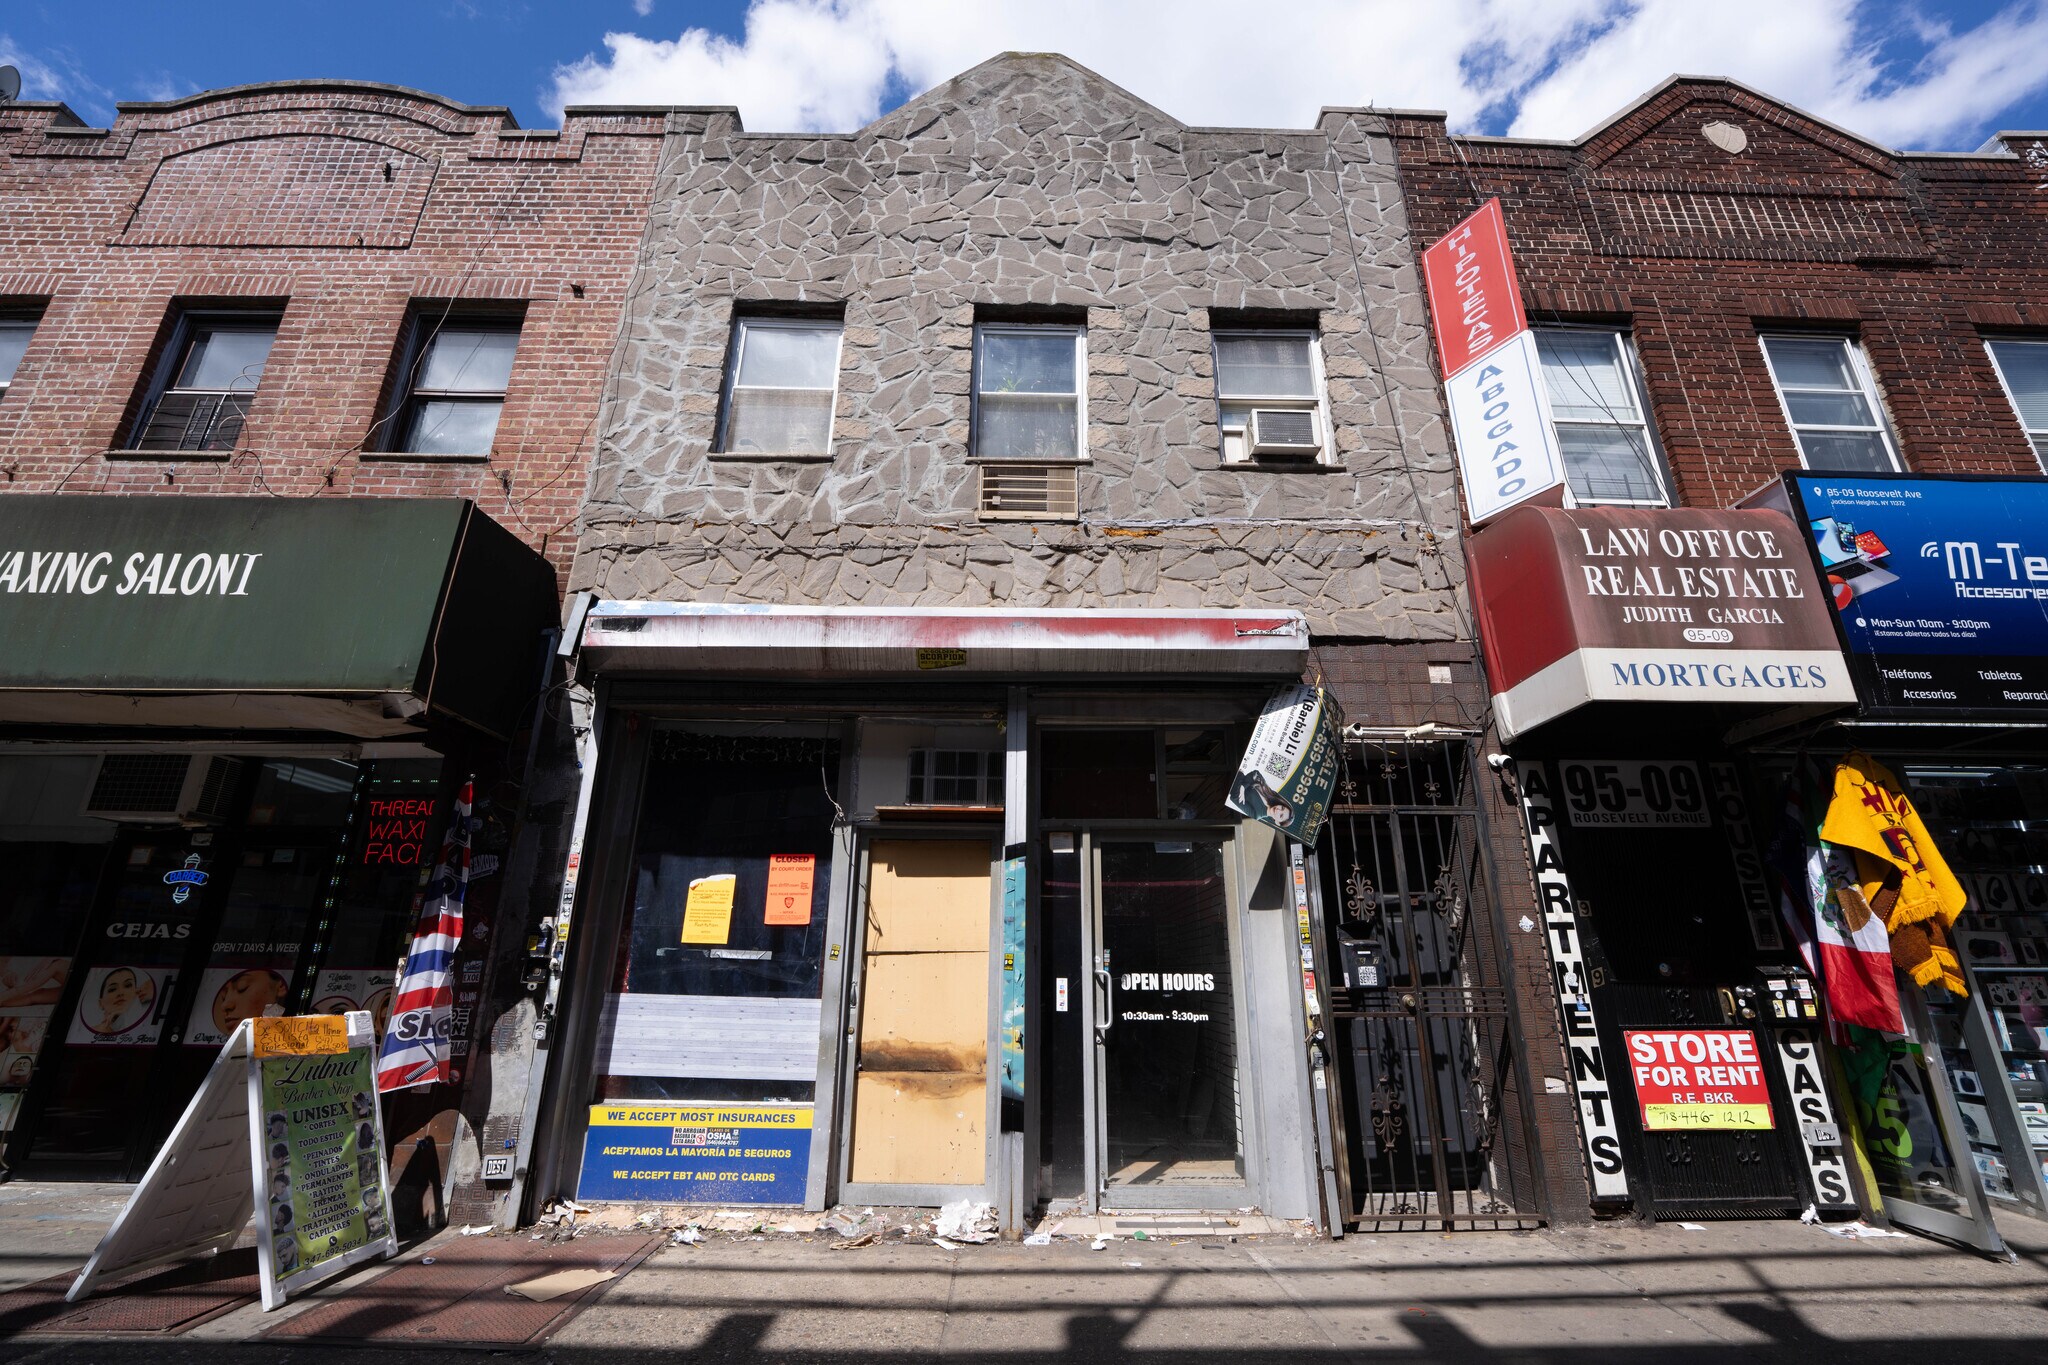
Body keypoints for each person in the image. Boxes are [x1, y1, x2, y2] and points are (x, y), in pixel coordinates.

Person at [91, 968, 152, 1036]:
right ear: (100, 1003)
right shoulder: (87, 1034)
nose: (121, 993)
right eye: (112, 989)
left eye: (128, 985)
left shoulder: (145, 1029)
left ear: (136, 992)